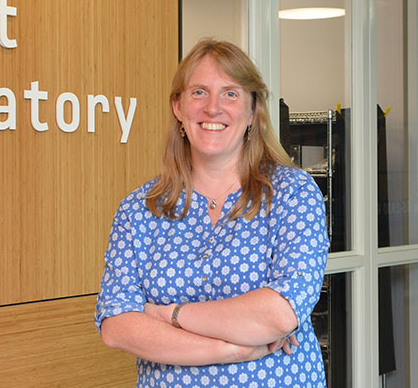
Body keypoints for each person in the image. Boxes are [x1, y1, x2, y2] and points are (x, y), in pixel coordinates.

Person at [94, 39, 329, 387]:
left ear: (252, 112)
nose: (213, 108)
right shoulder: (139, 209)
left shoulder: (292, 193)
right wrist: (232, 349)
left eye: (231, 93)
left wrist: (168, 314)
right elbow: (117, 326)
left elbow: (280, 314)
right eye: (199, 92)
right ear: (178, 107)